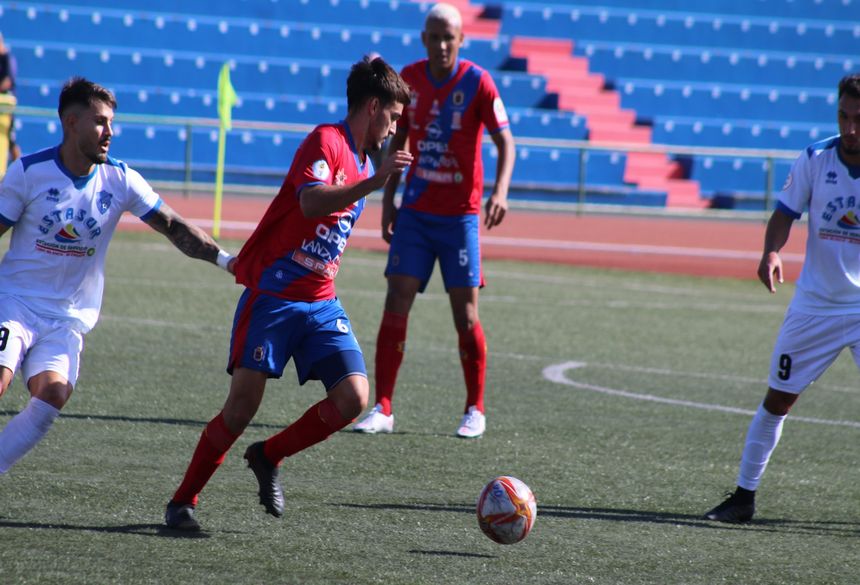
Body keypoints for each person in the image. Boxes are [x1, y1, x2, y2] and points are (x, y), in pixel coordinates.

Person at [163, 56, 413, 531]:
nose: (394, 128)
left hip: (320, 301)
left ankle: (268, 455)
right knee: (240, 409)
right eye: (394, 117)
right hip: (274, 297)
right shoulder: (327, 141)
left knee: (354, 397)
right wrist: (374, 182)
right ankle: (182, 502)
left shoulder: (364, 159)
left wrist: (375, 178)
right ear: (374, 106)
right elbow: (311, 200)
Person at [0, 77, 235, 476]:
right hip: (14, 303)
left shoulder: (120, 179)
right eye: (100, 122)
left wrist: (229, 262)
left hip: (67, 319)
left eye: (111, 122)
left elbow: (173, 225)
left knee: (54, 392)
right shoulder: (28, 172)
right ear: (71, 123)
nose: (110, 132)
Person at [352, 3, 515, 439]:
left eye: (450, 37)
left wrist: (499, 192)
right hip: (417, 212)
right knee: (396, 299)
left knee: (465, 314)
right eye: (435, 36)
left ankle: (474, 408)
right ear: (424, 39)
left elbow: (506, 142)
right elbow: (397, 139)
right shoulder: (411, 80)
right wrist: (389, 199)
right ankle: (384, 407)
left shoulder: (479, 82)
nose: (442, 44)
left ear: (462, 41)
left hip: (460, 217)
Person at [704, 72, 860, 523]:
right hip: (815, 306)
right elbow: (784, 213)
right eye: (843, 116)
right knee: (778, 400)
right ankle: (743, 498)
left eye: (859, 119)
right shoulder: (815, 158)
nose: (850, 128)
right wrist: (771, 250)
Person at [0, 32, 21, 165]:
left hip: (6, 106)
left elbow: (7, 81)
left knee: (11, 139)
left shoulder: (7, 58)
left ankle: (19, 166)